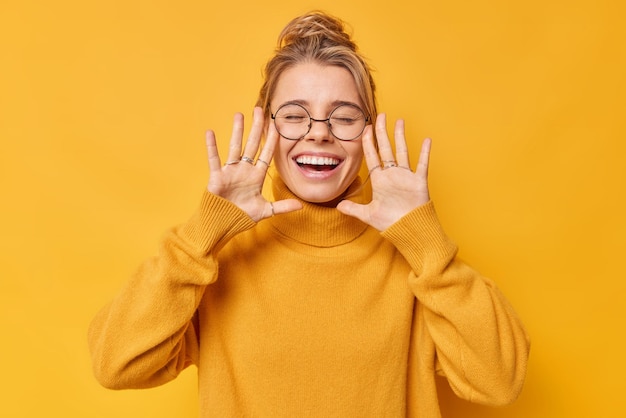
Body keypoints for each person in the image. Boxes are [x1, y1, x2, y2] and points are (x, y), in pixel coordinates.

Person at [88, 10, 530, 417]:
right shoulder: (215, 261)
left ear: (369, 132)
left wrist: (429, 245)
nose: (319, 134)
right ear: (266, 129)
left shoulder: (414, 261)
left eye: (344, 116)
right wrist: (199, 237)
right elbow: (117, 364)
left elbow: (500, 381)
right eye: (295, 116)